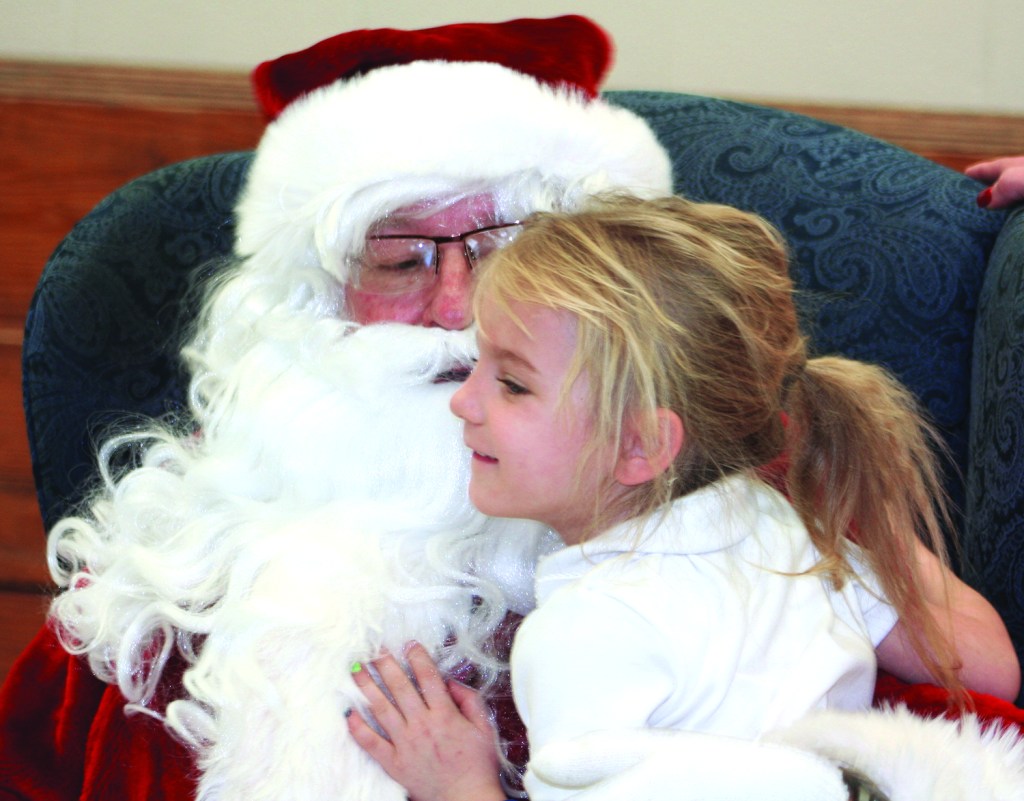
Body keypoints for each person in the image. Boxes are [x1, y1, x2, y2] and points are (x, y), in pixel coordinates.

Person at [0, 15, 1020, 801]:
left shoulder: (718, 547)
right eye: (397, 260)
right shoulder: (157, 598)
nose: (452, 315)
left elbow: (964, 704)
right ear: (303, 303)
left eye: (503, 256)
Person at [347, 195, 1024, 801]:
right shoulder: (780, 527)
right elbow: (990, 667)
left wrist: (459, 784)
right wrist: (849, 525)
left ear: (641, 446)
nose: (464, 401)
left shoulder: (583, 629)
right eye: (478, 367)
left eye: (513, 384)